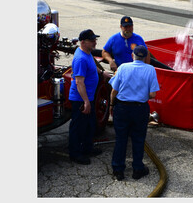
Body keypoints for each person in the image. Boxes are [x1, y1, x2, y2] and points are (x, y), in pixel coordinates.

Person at [108, 45, 160, 181]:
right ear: (145, 58)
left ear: (133, 56)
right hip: (140, 108)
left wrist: (112, 105)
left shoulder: (123, 67)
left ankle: (118, 170)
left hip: (122, 107)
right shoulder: (150, 70)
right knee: (138, 139)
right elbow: (153, 94)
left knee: (121, 139)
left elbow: (114, 90)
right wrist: (140, 94)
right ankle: (138, 169)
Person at [68, 29, 111, 165]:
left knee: (89, 125)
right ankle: (75, 153)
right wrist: (86, 102)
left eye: (95, 39)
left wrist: (102, 72)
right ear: (83, 42)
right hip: (81, 99)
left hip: (89, 97)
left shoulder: (87, 53)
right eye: (92, 40)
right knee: (78, 126)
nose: (95, 42)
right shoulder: (80, 59)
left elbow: (92, 66)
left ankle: (87, 148)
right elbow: (79, 82)